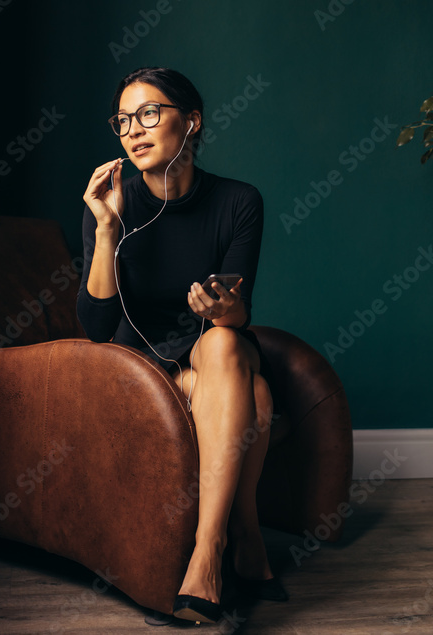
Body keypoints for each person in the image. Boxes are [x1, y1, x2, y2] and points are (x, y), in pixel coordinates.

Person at [76, 67, 286, 624]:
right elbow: (96, 331)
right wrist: (105, 231)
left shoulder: (239, 201)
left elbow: (240, 313)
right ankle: (244, 534)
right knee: (258, 400)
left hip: (210, 357)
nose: (133, 131)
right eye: (123, 120)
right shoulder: (114, 201)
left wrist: (223, 311)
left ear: (191, 122)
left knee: (222, 343)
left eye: (149, 114)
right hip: (143, 371)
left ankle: (206, 552)